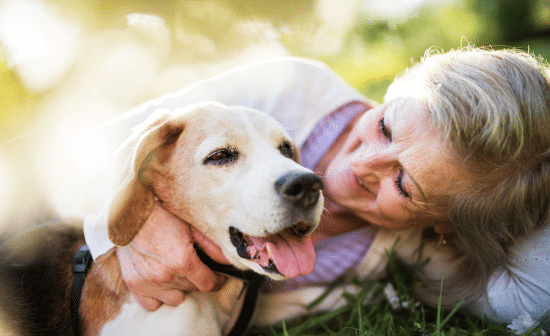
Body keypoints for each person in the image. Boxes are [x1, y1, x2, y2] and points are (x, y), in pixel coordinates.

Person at [82, 47, 550, 326]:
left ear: (443, 223)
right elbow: (83, 149)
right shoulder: (291, 88)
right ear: (393, 90)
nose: (360, 165)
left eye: (404, 185)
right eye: (385, 126)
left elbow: (532, 298)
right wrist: (127, 225)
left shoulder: (417, 248)